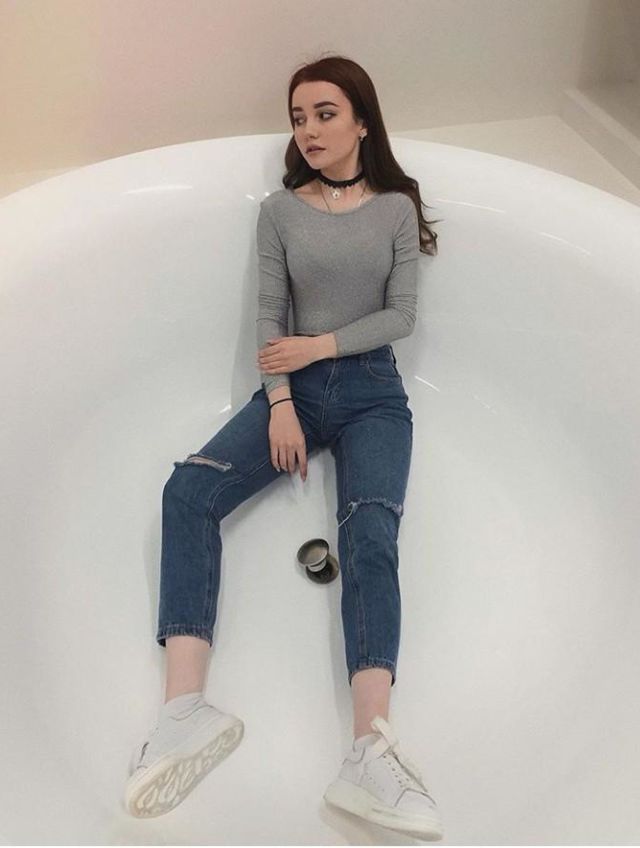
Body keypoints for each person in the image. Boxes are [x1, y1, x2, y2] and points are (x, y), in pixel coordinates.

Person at [124, 54, 443, 839]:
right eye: (299, 117)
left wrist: (319, 346)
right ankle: (183, 713)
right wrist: (280, 405)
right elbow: (270, 314)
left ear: (362, 121)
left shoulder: (396, 207)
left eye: (325, 113)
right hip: (291, 389)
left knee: (369, 535)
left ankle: (370, 750)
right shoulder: (279, 211)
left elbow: (400, 316)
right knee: (187, 492)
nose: (309, 130)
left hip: (371, 391)